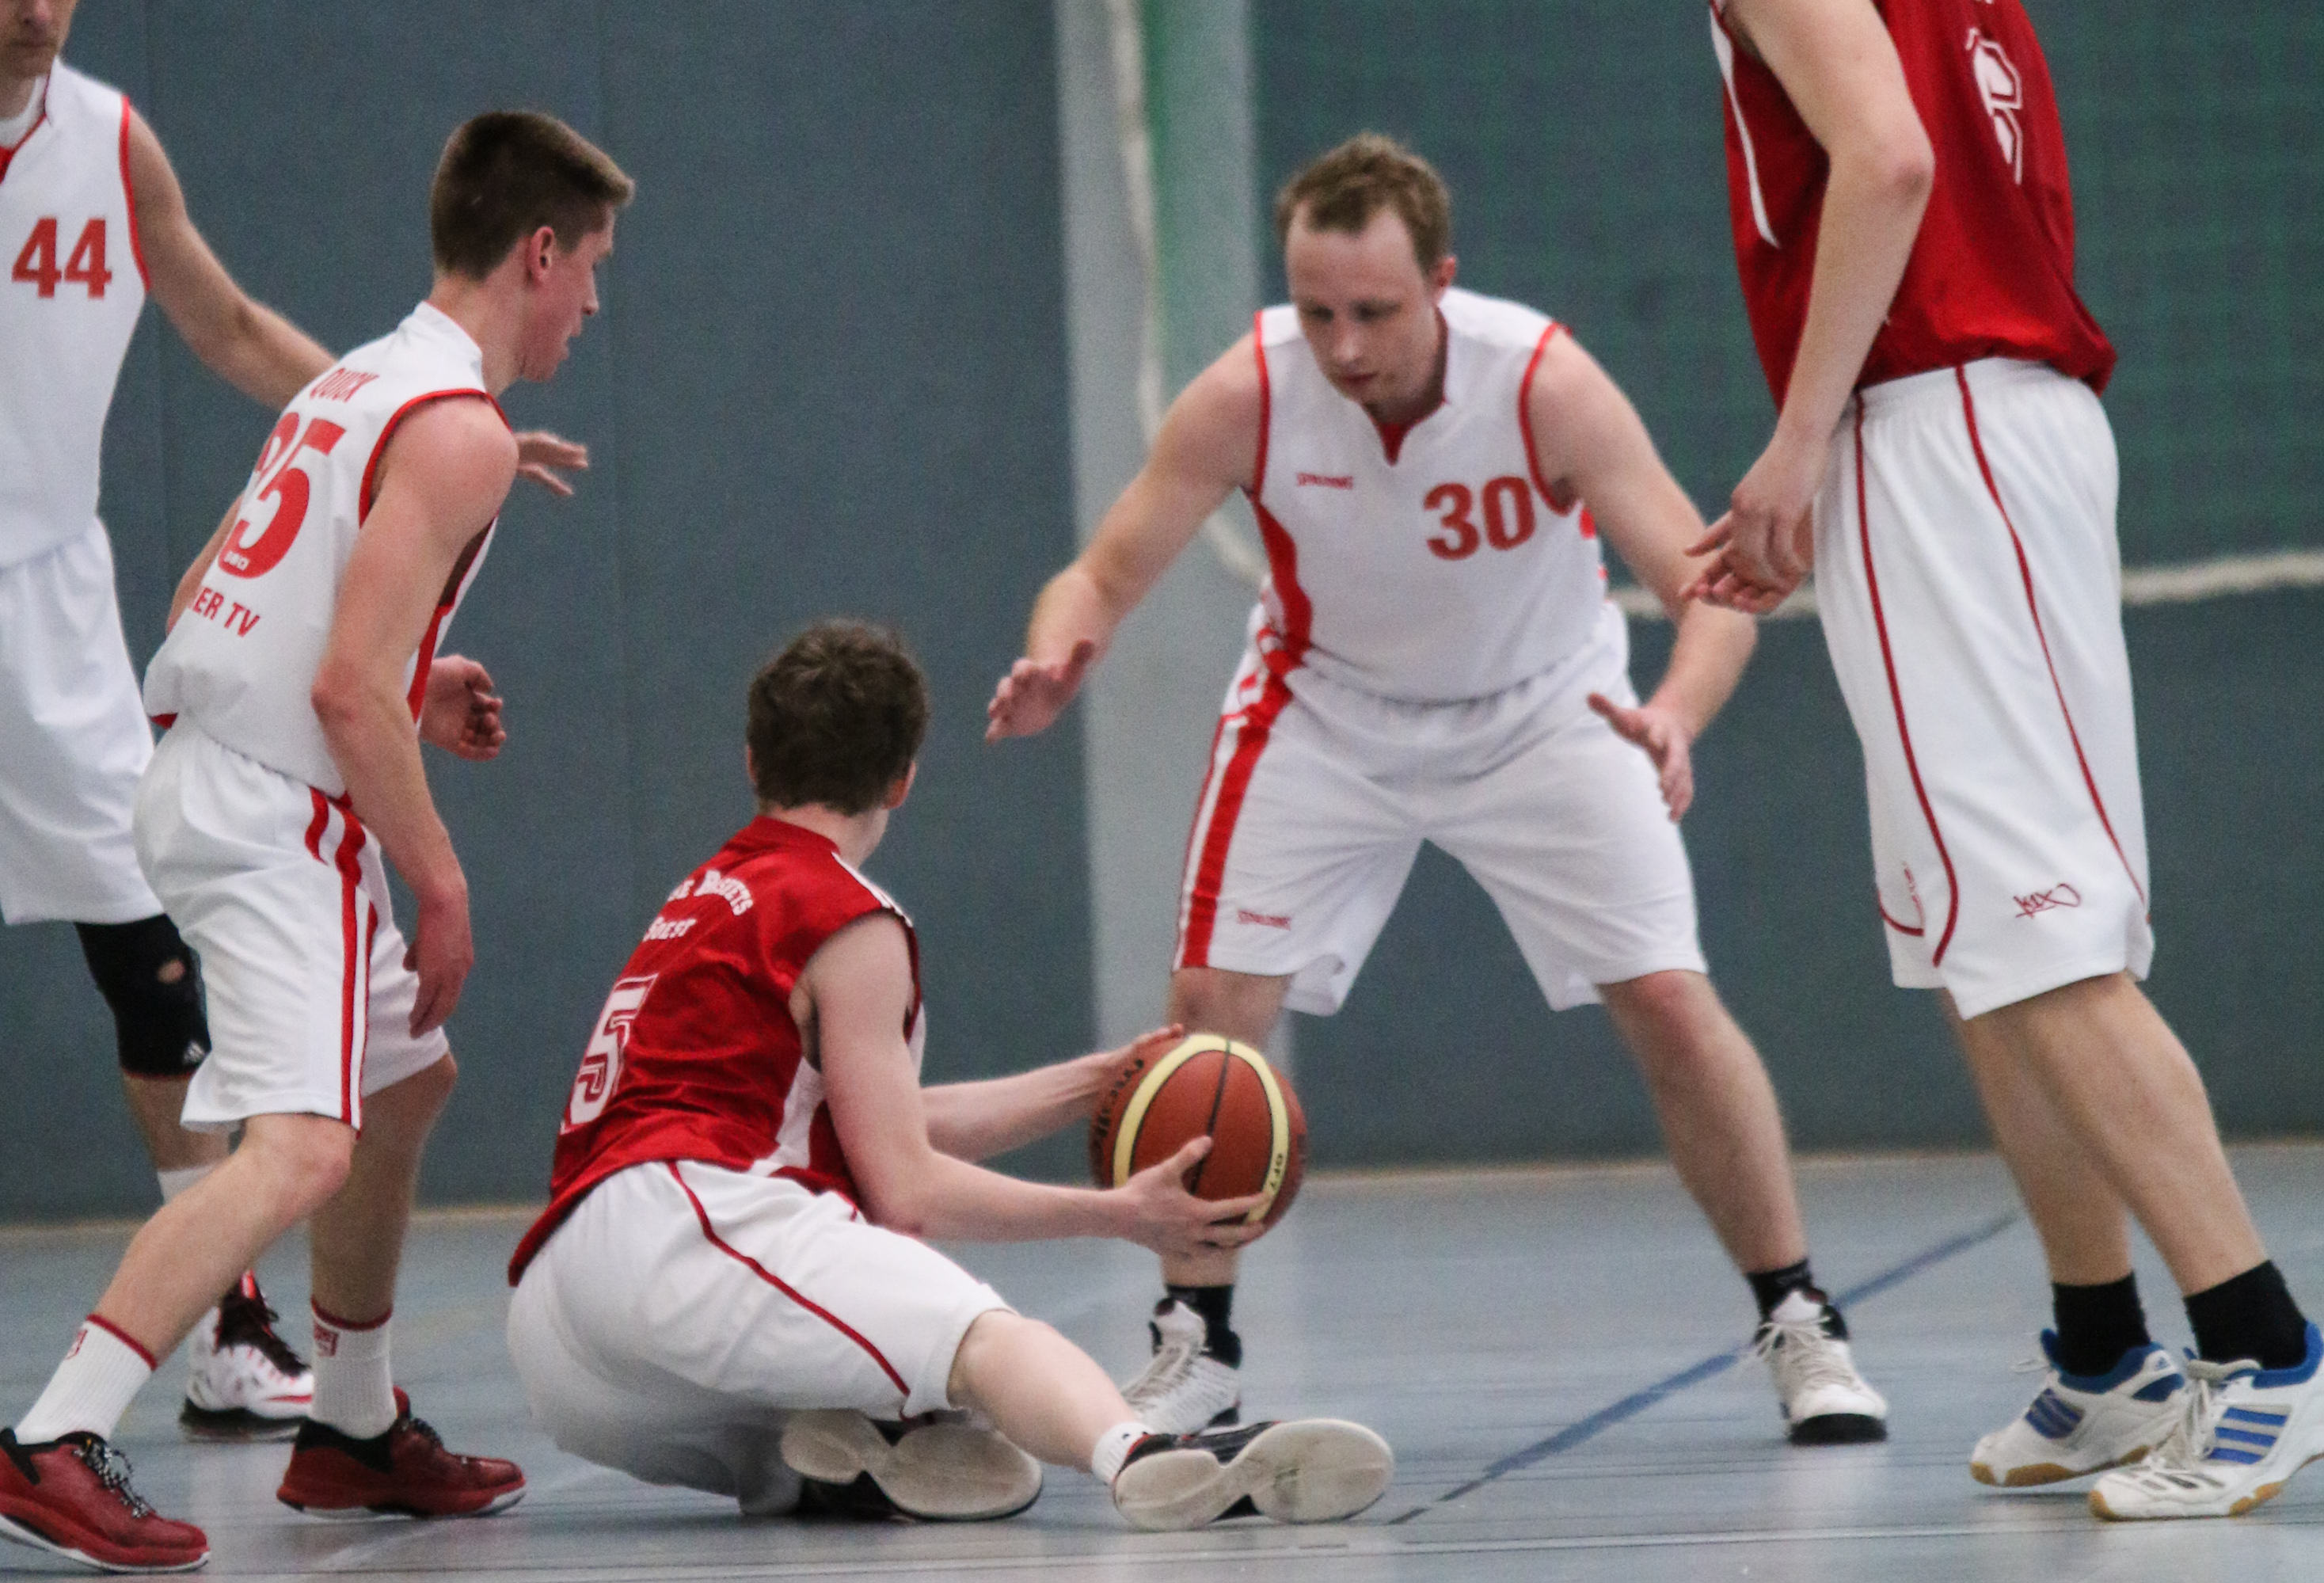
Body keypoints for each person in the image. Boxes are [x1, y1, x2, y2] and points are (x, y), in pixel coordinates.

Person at [987, 134, 1885, 1446]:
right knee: (1207, 1017)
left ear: (1440, 283)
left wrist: (1673, 714)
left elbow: (1714, 595)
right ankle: (1196, 1341)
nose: (1344, 345)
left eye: (1373, 310)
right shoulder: (1245, 393)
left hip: (1545, 708)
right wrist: (1060, 650)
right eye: (1316, 312)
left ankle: (1797, 1315)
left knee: (1667, 1000)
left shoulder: (1540, 382)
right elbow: (1100, 572)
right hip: (1324, 714)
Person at [0, 109, 630, 1573]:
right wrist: (440, 879)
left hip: (217, 769)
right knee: (303, 1145)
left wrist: (408, 684)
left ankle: (354, 1424)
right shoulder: (457, 430)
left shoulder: (356, 380)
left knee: (406, 1077)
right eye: (591, 265)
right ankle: (50, 1439)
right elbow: (338, 691)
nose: (593, 299)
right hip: (270, 808)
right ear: (538, 253)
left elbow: (211, 593)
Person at [1696, 0, 2321, 1521]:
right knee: (1973, 940)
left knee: (2034, 933)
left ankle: (2262, 1345)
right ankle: (2104, 1352)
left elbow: (1889, 160)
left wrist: (1797, 439)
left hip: (1933, 429)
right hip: (1983, 428)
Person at [504, 619, 1395, 1533]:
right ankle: (1141, 1456)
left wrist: (1098, 1080)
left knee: (962, 1443)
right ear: (902, 778)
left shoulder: (707, 895)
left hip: (562, 1329)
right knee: (984, 1340)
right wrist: (1121, 1213)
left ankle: (853, 1451)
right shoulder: (844, 916)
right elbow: (908, 1189)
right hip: (683, 1231)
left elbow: (879, 1120)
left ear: (751, 763)